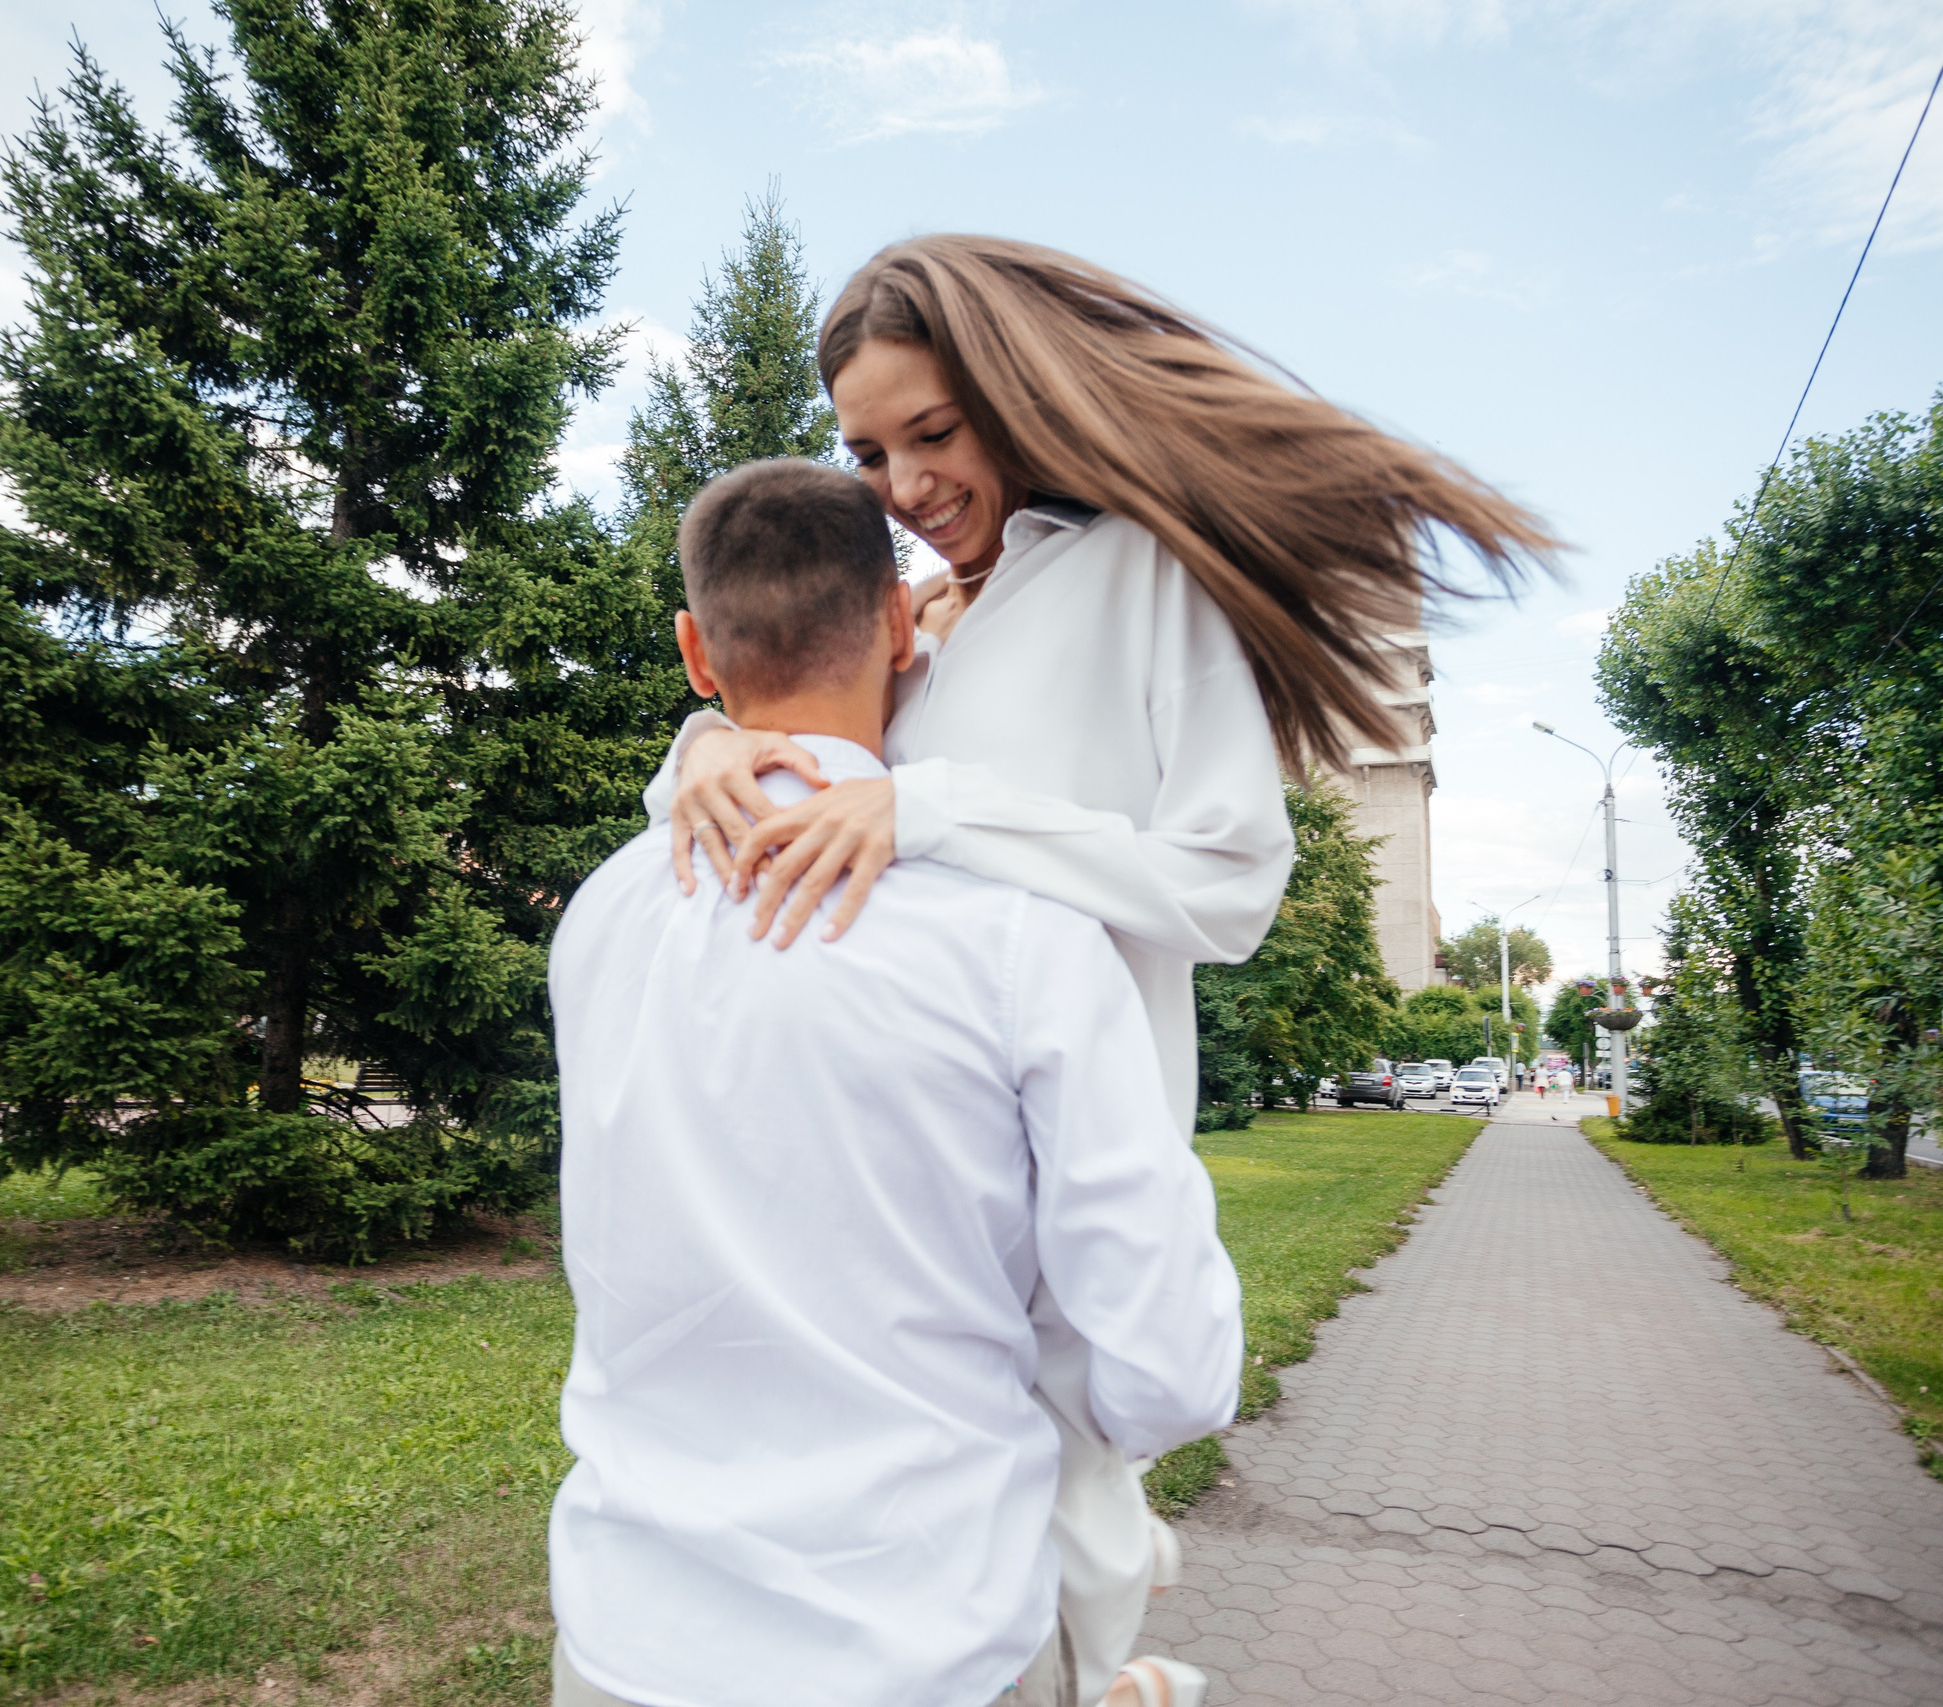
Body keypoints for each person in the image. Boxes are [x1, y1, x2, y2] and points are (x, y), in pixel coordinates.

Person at [646, 235, 1555, 1705]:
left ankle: (1114, 1653)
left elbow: (1228, 882)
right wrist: (699, 747)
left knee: (1033, 1547)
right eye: (867, 453)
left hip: (1080, 1160)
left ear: (1015, 395)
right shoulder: (927, 618)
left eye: (933, 432)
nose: (903, 485)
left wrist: (935, 809)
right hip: (916, 1177)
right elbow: (806, 759)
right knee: (958, 1558)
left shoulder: (1137, 577)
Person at [549, 459, 1244, 1707]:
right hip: (927, 1635)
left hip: (628, 1630)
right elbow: (1172, 1367)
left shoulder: (601, 913)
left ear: (695, 653)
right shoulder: (1022, 933)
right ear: (897, 624)